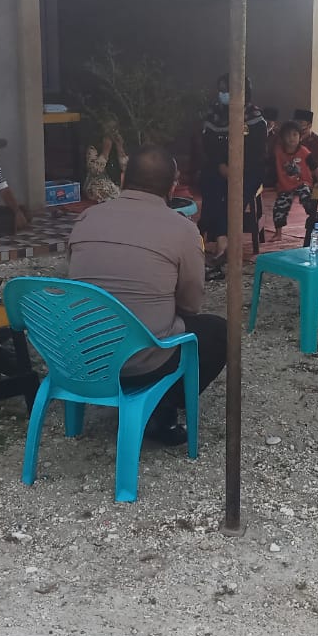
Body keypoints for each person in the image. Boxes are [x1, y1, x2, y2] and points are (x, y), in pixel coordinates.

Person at [68, 144, 228, 445]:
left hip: (80, 357)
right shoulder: (182, 230)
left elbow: (77, 280)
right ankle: (161, 407)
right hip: (140, 361)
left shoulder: (87, 218)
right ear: (172, 187)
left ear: (125, 177)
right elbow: (191, 304)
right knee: (218, 332)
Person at [199, 76, 267, 275]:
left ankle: (219, 241)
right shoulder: (214, 114)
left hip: (249, 170)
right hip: (219, 167)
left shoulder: (254, 118)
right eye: (221, 90)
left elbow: (257, 152)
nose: (223, 94)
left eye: (227, 90)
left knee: (232, 198)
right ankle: (220, 240)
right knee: (211, 188)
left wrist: (236, 169)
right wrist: (221, 165)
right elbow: (209, 145)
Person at [271, 120, 318, 240]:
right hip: (285, 185)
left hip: (302, 182)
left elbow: (314, 167)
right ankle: (278, 233)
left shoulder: (304, 152)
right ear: (282, 138)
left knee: (306, 196)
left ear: (300, 137)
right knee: (279, 208)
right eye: (288, 135)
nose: (291, 138)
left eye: (294, 135)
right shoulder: (278, 151)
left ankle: (314, 219)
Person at [83, 119, 128, 204]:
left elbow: (126, 168)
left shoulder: (120, 143)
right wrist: (105, 153)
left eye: (114, 129)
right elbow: (94, 171)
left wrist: (120, 149)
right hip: (98, 183)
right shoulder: (94, 147)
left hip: (116, 182)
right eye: (109, 130)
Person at [293, 108, 318, 183]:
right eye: (296, 124)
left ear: (309, 125)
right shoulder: (291, 140)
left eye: (301, 123)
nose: (298, 127)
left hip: (316, 176)